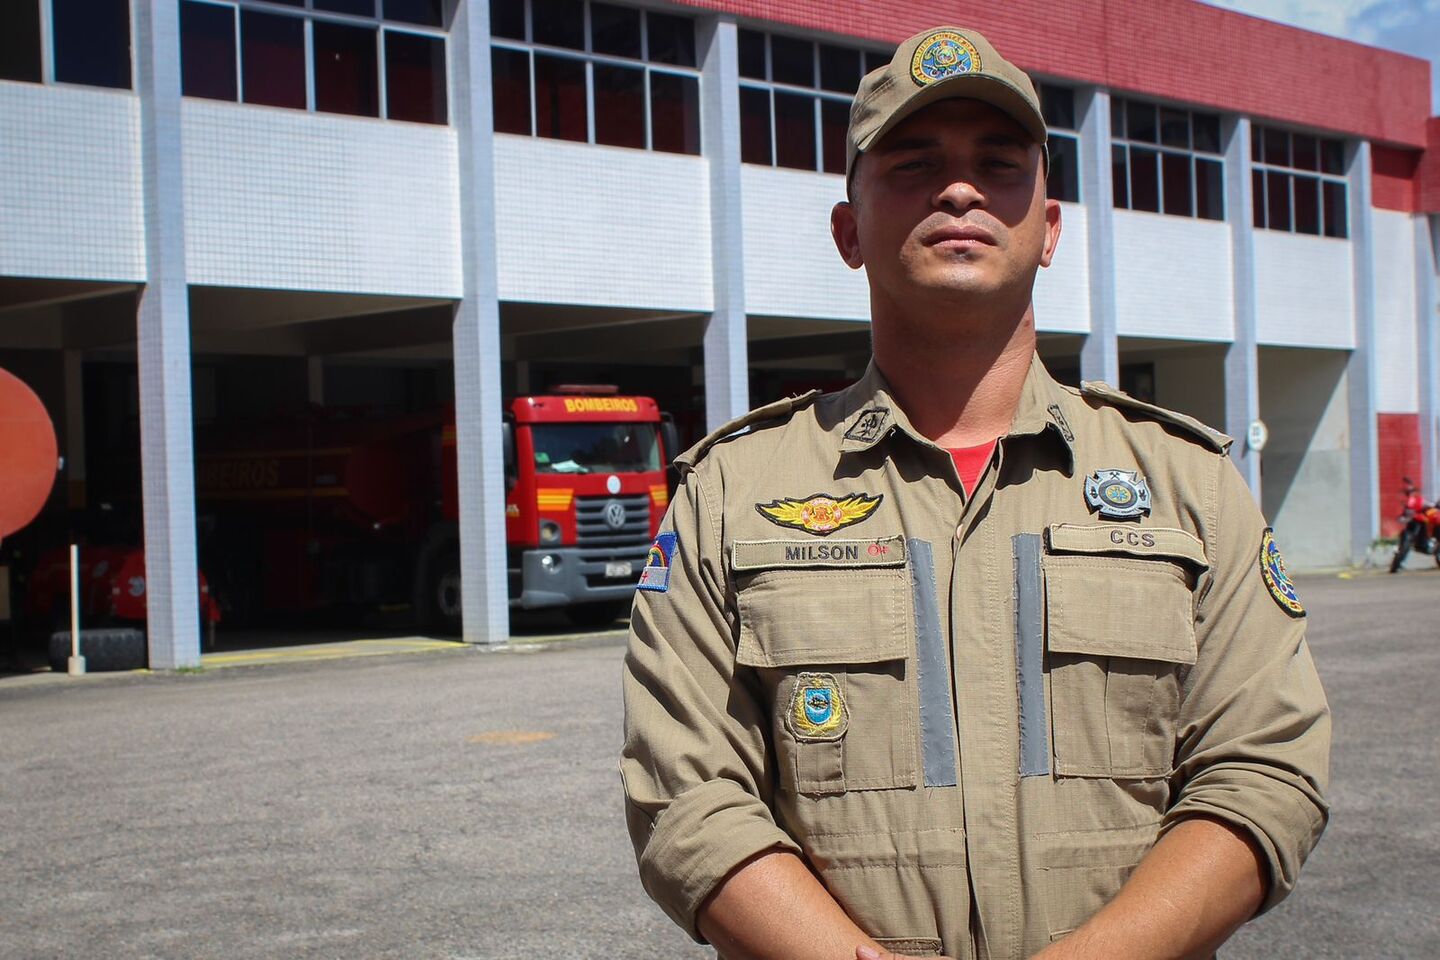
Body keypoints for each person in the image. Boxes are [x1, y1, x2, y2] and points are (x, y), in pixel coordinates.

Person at [621, 25, 1329, 960]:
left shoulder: (1187, 485)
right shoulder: (731, 494)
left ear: (1051, 229)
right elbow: (687, 796)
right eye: (913, 165)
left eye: (999, 164)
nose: (960, 189)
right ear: (848, 233)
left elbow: (1264, 770)